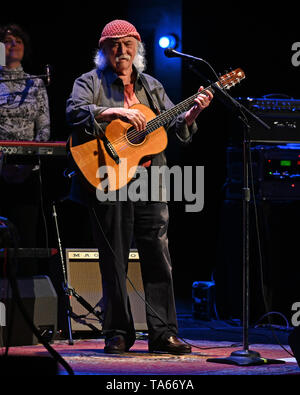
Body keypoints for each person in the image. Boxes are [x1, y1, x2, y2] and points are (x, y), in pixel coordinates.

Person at [66, 19, 213, 354]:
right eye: (114, 45)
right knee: (114, 255)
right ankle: (117, 332)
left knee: (158, 254)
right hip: (108, 175)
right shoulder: (89, 82)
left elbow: (173, 127)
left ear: (137, 49)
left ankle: (164, 333)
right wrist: (112, 111)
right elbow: (75, 112)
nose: (122, 50)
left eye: (128, 44)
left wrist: (190, 115)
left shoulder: (151, 86)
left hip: (151, 178)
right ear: (102, 50)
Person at [0, 24, 50, 250]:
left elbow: (44, 127)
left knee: (27, 238)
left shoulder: (36, 82)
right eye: (8, 41)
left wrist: (27, 162)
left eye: (18, 41)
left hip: (28, 171)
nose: (13, 45)